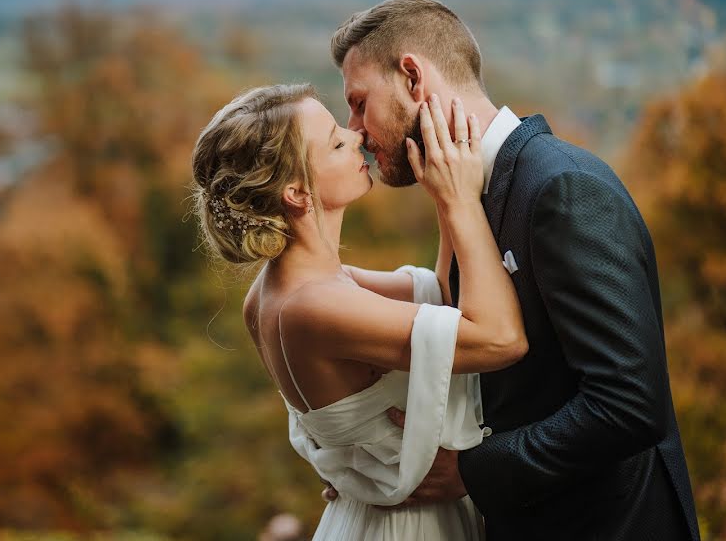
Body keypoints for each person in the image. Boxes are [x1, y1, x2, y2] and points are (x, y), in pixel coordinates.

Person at [324, 0, 700, 540]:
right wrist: (376, 461)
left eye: (359, 102)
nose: (354, 128)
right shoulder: (460, 190)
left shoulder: (562, 189)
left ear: (412, 77)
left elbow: (629, 406)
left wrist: (471, 471)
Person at [191, 82, 527, 539]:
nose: (357, 138)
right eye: (334, 141)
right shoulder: (312, 305)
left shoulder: (291, 288)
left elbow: (438, 299)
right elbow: (500, 338)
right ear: (297, 192)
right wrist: (461, 200)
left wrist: (442, 195)